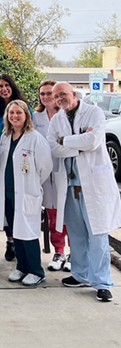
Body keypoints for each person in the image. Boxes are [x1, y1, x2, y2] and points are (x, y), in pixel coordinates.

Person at [48, 82, 121, 302]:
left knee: (97, 235)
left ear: (73, 94)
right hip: (70, 187)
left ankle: (101, 282)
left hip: (93, 185)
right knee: (77, 234)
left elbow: (94, 141)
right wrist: (78, 141)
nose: (60, 99)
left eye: (63, 94)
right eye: (56, 96)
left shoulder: (94, 112)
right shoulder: (56, 119)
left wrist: (66, 141)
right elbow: (53, 146)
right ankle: (80, 274)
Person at [0, 100, 52, 286]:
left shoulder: (35, 138)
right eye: (11, 113)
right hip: (9, 193)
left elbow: (45, 167)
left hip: (27, 192)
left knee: (28, 233)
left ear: (26, 115)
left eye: (19, 112)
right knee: (15, 231)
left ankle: (36, 270)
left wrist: (32, 183)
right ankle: (22, 267)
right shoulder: (5, 136)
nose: (14, 116)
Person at [0, 74, 29, 262]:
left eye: (7, 85)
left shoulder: (22, 108)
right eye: (0, 86)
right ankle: (10, 240)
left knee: (20, 203)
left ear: (12, 87)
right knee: (5, 204)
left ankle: (22, 241)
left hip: (22, 163)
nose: (4, 89)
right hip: (1, 162)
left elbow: (31, 132)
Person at [32, 79, 71, 272]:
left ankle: (74, 253)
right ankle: (59, 251)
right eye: (43, 94)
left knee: (70, 212)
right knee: (52, 213)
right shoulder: (36, 117)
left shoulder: (67, 115)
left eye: (50, 93)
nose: (47, 97)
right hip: (46, 172)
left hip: (66, 168)